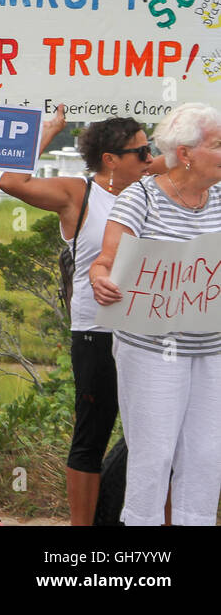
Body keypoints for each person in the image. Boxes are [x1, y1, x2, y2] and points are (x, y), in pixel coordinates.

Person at [0, 107, 154, 525]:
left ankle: (118, 514)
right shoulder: (79, 193)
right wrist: (50, 129)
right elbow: (11, 181)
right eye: (142, 151)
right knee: (92, 434)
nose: (150, 158)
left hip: (149, 333)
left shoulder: (154, 190)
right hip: (97, 331)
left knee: (154, 433)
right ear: (110, 158)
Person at [90, 103, 221, 526]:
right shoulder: (141, 196)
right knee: (154, 453)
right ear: (186, 152)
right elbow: (104, 261)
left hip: (213, 348)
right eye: (219, 144)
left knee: (206, 454)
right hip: (150, 348)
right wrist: (101, 279)